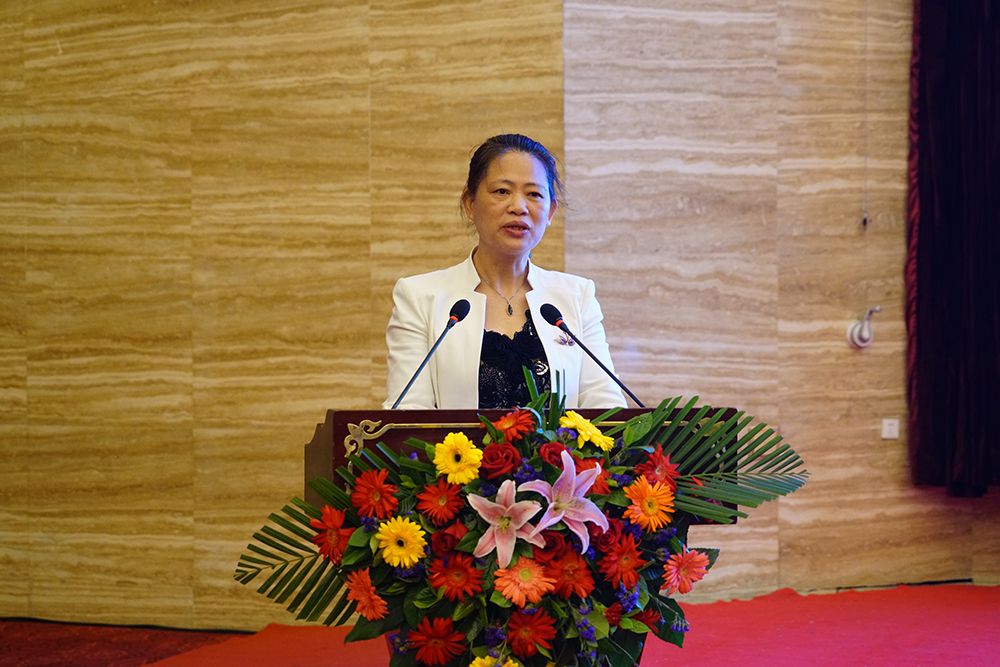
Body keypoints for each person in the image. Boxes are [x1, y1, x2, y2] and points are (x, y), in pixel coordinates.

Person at [383, 134, 627, 410]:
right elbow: (408, 415)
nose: (518, 207)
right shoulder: (420, 298)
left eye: (534, 194)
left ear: (550, 212)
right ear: (470, 204)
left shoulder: (576, 297)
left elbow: (605, 408)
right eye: (502, 191)